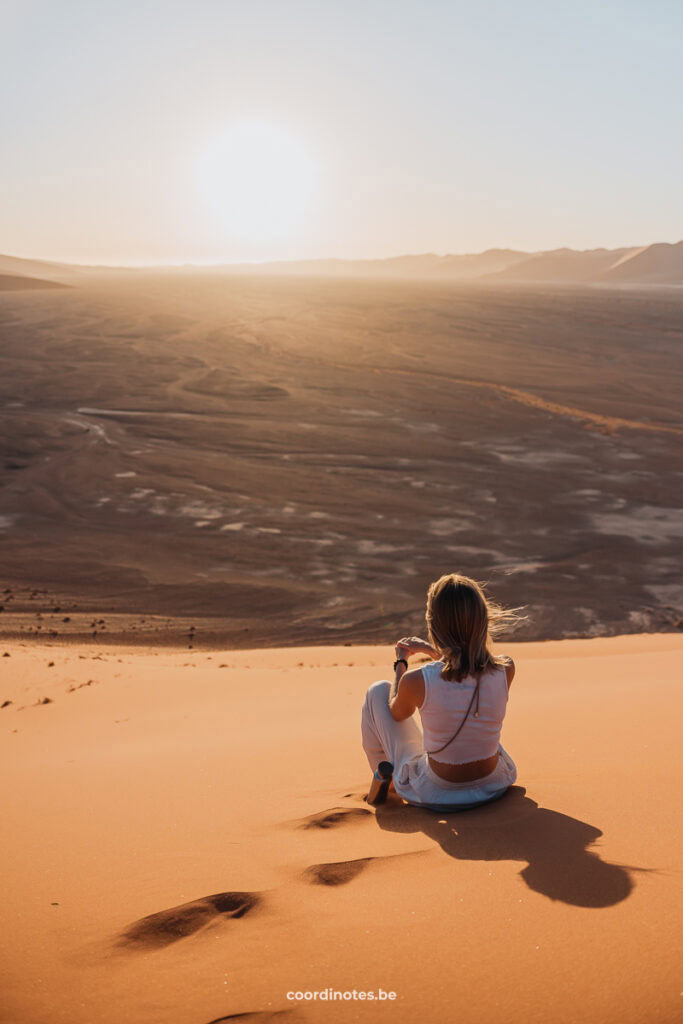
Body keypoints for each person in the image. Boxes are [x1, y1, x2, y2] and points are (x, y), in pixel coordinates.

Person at [361, 573, 522, 810]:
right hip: (494, 784)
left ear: (434, 624)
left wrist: (401, 664)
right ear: (482, 620)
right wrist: (438, 654)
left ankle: (385, 782)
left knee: (378, 691)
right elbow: (464, 680)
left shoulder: (417, 681)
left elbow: (396, 712)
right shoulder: (506, 668)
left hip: (440, 793)